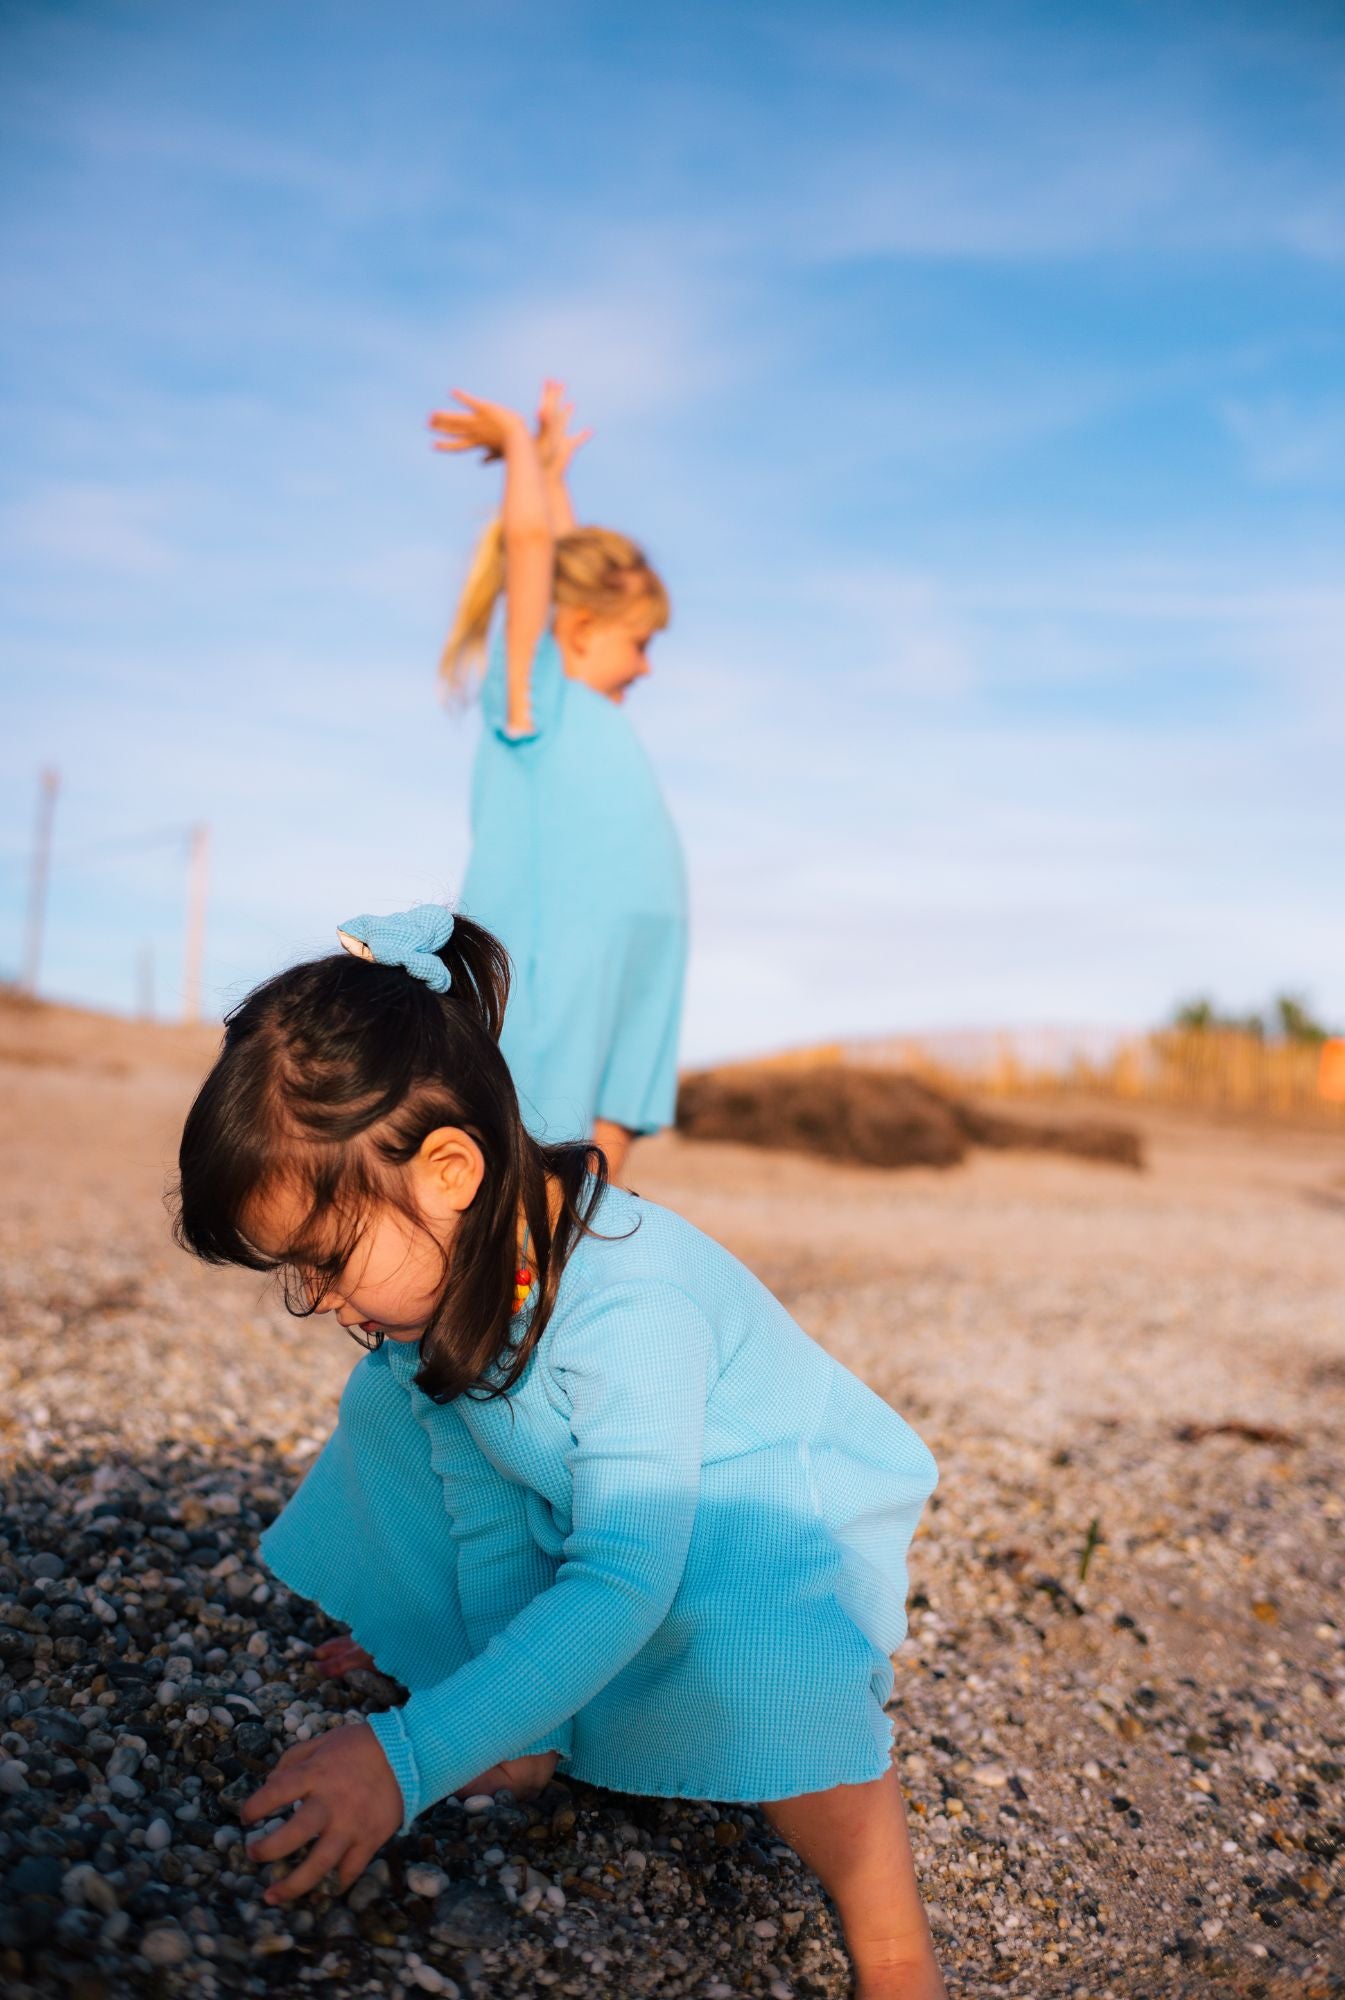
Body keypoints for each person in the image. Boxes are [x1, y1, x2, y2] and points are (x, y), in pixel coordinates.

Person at [173, 903, 945, 2000]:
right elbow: (488, 1509)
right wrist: (504, 1725)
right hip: (590, 1511)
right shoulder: (450, 1293)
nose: (317, 1298)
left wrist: (407, 1759)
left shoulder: (632, 1304)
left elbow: (630, 1574)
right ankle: (529, 1713)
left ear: (449, 1168)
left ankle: (897, 1949)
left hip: (759, 1520)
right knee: (395, 1411)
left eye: (327, 1258)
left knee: (765, 1658)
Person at [435, 379, 686, 1185]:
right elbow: (539, 554)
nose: (648, 663)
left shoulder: (580, 697)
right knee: (540, 1134)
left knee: (603, 1145)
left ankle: (575, 1273)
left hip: (635, 947)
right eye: (640, 643)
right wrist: (516, 449)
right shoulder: (531, 696)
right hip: (560, 950)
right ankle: (521, 1280)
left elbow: (570, 561)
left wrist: (550, 471)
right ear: (577, 631)